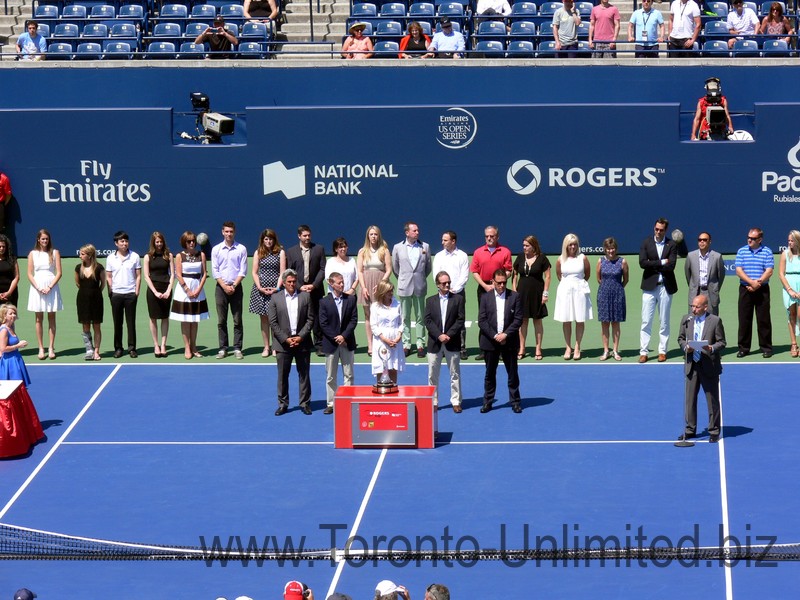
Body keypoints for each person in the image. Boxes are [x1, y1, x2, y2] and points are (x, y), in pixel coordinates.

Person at [678, 294, 726, 443]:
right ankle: (690, 430)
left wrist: (711, 347)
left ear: (705, 307)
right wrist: (686, 347)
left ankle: (714, 431)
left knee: (712, 400)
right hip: (692, 365)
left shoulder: (715, 321)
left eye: (697, 306)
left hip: (709, 365)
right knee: (690, 400)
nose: (694, 309)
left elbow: (722, 342)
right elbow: (680, 338)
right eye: (692, 306)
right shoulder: (686, 320)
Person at [268, 269, 314, 415]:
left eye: (294, 281)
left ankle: (305, 403)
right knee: (282, 375)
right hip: (283, 344)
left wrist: (300, 336)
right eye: (289, 282)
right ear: (283, 282)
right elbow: (273, 322)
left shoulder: (305, 297)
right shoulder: (275, 298)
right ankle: (283, 404)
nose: (292, 284)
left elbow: (310, 319)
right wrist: (285, 339)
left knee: (304, 374)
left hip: (302, 342)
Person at [478, 269, 523, 413]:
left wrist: (505, 335)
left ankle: (515, 401)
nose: (502, 285)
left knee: (512, 374)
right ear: (493, 282)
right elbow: (482, 320)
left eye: (504, 282)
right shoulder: (485, 297)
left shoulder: (515, 297)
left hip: (509, 342)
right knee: (490, 374)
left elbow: (518, 319)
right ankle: (488, 401)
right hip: (490, 342)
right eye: (499, 283)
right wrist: (495, 336)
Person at [424, 271, 465, 412]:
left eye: (448, 282)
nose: (447, 285)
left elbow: (460, 320)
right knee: (432, 375)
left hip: (452, 342)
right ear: (437, 284)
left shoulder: (458, 299)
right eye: (444, 283)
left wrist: (448, 335)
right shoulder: (430, 301)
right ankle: (433, 401)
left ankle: (456, 401)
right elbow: (427, 321)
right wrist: (439, 335)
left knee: (454, 373)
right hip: (435, 343)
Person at [639, 218, 678, 363]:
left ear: (665, 230)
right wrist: (661, 262)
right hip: (649, 287)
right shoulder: (646, 243)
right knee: (646, 321)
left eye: (661, 230)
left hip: (665, 287)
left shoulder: (671, 244)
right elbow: (642, 263)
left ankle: (662, 351)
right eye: (656, 229)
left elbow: (671, 266)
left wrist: (652, 264)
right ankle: (644, 352)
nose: (658, 232)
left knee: (664, 321)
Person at [471, 225, 512, 360]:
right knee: (484, 318)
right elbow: (475, 271)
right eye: (487, 236)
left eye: (492, 236)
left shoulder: (505, 251)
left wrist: (497, 283)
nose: (489, 238)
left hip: (500, 288)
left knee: (500, 317)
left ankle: (500, 349)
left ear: (497, 237)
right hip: (483, 289)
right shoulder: (478, 252)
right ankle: (484, 349)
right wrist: (485, 285)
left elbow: (508, 271)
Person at [319, 271, 358, 414]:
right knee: (331, 376)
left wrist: (344, 336)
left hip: (347, 343)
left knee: (349, 374)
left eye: (343, 282)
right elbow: (323, 324)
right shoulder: (324, 302)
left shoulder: (351, 299)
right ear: (331, 283)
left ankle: (348, 401)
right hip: (331, 344)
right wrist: (337, 337)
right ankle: (331, 403)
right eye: (339, 282)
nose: (342, 284)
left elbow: (353, 320)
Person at [392, 221, 432, 358]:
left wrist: (419, 278)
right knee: (405, 317)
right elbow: (395, 268)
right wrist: (404, 279)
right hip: (404, 287)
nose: (417, 232)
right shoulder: (397, 247)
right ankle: (406, 344)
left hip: (420, 287)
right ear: (407, 232)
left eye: (418, 230)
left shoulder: (425, 246)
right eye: (414, 230)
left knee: (420, 317)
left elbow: (428, 267)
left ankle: (420, 344)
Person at [286, 224, 326, 356]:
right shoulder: (291, 252)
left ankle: (319, 345)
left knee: (317, 318)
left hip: (316, 290)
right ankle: (304, 343)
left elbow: (322, 269)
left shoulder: (319, 249)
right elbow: (289, 271)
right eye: (304, 235)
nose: (307, 237)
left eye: (309, 235)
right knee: (301, 317)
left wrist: (313, 285)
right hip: (299, 291)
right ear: (299, 236)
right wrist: (299, 286)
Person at [735, 227, 773, 358]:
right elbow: (739, 270)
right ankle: (744, 348)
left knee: (763, 320)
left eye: (753, 238)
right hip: (745, 289)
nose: (749, 240)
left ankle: (766, 348)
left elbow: (769, 271)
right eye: (748, 237)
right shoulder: (742, 251)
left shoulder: (767, 252)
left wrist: (758, 283)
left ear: (760, 239)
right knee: (744, 319)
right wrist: (751, 282)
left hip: (762, 290)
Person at [170, 231, 209, 360]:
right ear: (184, 243)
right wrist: (187, 289)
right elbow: (178, 274)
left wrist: (198, 289)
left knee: (195, 320)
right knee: (186, 320)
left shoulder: (201, 255)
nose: (191, 243)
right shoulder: (179, 256)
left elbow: (204, 273)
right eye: (189, 241)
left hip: (198, 289)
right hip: (183, 290)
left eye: (193, 241)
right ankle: (187, 348)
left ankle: (194, 347)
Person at [211, 221, 247, 360]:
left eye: (231, 231)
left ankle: (237, 348)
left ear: (234, 232)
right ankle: (223, 348)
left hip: (236, 288)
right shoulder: (216, 249)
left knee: (237, 320)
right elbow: (215, 270)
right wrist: (225, 286)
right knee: (221, 320)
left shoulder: (241, 249)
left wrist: (234, 285)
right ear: (222, 232)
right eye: (226, 231)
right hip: (221, 288)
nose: (229, 234)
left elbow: (243, 270)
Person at [554, 233, 592, 360]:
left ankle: (577, 346)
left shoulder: (583, 257)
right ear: (566, 245)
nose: (573, 247)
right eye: (570, 244)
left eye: (575, 244)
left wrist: (577, 284)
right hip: (565, 291)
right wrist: (568, 285)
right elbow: (559, 275)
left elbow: (587, 273)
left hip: (580, 290)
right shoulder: (560, 259)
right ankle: (568, 347)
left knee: (580, 319)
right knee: (566, 319)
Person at [249, 228, 286, 358]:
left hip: (276, 291)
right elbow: (254, 272)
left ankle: (276, 347)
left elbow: (282, 272)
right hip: (261, 291)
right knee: (264, 320)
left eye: (270, 239)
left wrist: (277, 288)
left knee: (275, 320)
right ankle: (266, 347)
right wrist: (260, 287)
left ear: (274, 240)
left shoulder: (280, 252)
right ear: (262, 240)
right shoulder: (258, 252)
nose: (268, 241)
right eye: (266, 239)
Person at [512, 235, 551, 360]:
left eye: (527, 246)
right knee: (523, 321)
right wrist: (514, 290)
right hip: (521, 293)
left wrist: (545, 293)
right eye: (523, 245)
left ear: (533, 246)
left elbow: (548, 276)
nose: (524, 248)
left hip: (537, 293)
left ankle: (538, 348)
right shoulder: (520, 257)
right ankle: (522, 348)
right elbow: (515, 274)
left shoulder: (542, 258)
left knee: (537, 321)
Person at [433, 230, 469, 359]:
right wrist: (444, 288)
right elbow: (436, 275)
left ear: (453, 241)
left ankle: (462, 347)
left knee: (460, 320)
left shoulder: (463, 256)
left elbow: (464, 275)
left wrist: (455, 289)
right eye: (442, 240)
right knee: (443, 319)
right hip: (442, 293)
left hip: (458, 294)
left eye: (445, 240)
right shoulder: (438, 256)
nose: (442, 242)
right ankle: (443, 346)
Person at [27, 228, 63, 360]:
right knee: (38, 318)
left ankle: (51, 348)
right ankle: (41, 348)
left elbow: (59, 272)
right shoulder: (32, 254)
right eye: (43, 239)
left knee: (52, 317)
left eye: (47, 239)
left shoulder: (55, 252)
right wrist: (37, 287)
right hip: (37, 288)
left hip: (51, 286)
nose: (45, 241)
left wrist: (49, 287)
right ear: (38, 239)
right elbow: (30, 273)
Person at [357, 225, 393, 356]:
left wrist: (381, 284)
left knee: (380, 314)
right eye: (371, 234)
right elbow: (360, 271)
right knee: (368, 315)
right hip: (366, 284)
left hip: (380, 284)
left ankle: (382, 342)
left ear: (379, 236)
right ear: (368, 236)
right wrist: (364, 287)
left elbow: (388, 269)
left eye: (375, 234)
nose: (373, 236)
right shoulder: (362, 251)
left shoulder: (384, 250)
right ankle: (370, 345)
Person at [107, 230, 141, 359]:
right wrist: (112, 291)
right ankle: (118, 348)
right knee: (117, 323)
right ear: (116, 243)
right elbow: (108, 277)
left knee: (131, 323)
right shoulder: (111, 258)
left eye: (126, 241)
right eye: (122, 241)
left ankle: (132, 348)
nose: (125, 243)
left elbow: (138, 276)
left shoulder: (135, 257)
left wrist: (136, 291)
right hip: (116, 295)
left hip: (130, 294)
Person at [596, 237, 628, 361]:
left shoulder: (622, 261)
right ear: (605, 249)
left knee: (615, 323)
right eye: (608, 249)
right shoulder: (601, 261)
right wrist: (606, 288)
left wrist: (617, 288)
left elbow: (626, 279)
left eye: (613, 248)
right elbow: (598, 278)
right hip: (603, 294)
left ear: (616, 248)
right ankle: (606, 351)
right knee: (604, 323)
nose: (611, 251)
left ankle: (615, 350)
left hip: (618, 295)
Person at [143, 231, 174, 358]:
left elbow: (172, 274)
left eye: (161, 242)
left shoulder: (169, 256)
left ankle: (163, 345)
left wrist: (168, 290)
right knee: (153, 318)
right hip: (153, 290)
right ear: (153, 243)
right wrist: (155, 292)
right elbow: (146, 276)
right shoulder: (148, 257)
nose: (159, 244)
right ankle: (156, 345)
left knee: (165, 317)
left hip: (166, 289)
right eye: (157, 242)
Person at [370, 280, 405, 385]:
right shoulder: (375, 306)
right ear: (382, 292)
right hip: (381, 341)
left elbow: (402, 322)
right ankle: (381, 392)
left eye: (391, 290)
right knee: (382, 367)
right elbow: (373, 325)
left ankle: (394, 390)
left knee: (394, 367)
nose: (391, 293)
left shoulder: (397, 304)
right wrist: (385, 339)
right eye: (388, 291)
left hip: (395, 339)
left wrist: (398, 336)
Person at [75, 244, 105, 361]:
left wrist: (95, 293)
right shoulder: (78, 268)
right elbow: (78, 283)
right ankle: (89, 350)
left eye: (82, 254)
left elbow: (103, 284)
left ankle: (96, 351)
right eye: (80, 253)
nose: (80, 256)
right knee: (85, 325)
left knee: (96, 326)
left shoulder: (99, 268)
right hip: (82, 300)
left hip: (96, 300)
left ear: (90, 255)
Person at [685, 231, 725, 315]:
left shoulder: (717, 257)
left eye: (704, 240)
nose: (702, 242)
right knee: (694, 320)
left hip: (710, 293)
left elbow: (720, 276)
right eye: (699, 240)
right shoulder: (691, 256)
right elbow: (688, 275)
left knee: (712, 321)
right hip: (696, 292)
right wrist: (694, 286)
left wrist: (714, 288)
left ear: (709, 241)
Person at [691, 77, 734, 141]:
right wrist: (693, 134)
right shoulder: (702, 102)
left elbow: (727, 115)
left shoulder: (723, 101)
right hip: (705, 133)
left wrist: (730, 127)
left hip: (720, 132)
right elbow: (697, 119)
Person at [779, 230, 800, 357]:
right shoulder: (785, 254)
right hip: (789, 288)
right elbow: (781, 274)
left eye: (792, 241)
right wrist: (790, 290)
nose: (789, 243)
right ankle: (793, 344)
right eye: (788, 241)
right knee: (792, 315)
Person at [0, 304, 30, 386]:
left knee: (20, 387)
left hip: (16, 358)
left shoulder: (11, 326)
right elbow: (3, 349)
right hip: (9, 362)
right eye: (10, 314)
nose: (13, 315)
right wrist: (18, 345)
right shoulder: (4, 330)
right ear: (4, 316)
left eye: (14, 313)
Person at [0, 234, 20, 306]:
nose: (1, 248)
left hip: (11, 295)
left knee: (10, 316)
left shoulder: (12, 259)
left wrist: (9, 293)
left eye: (3, 246)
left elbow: (17, 277)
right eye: (0, 246)